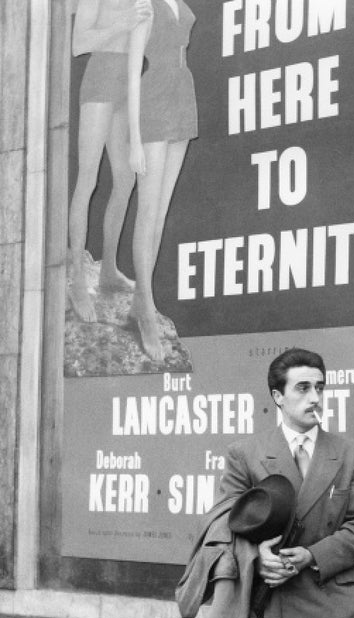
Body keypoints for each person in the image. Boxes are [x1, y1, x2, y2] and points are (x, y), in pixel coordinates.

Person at [214, 348, 354, 618]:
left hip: (329, 605)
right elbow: (226, 527)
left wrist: (310, 556)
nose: (315, 398)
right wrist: (258, 557)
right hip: (268, 606)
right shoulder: (246, 453)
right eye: (302, 388)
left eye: (320, 387)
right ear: (278, 396)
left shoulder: (353, 455)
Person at [68, 0, 152, 322]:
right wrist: (123, 23)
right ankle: (77, 279)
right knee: (87, 179)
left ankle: (108, 270)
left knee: (126, 179)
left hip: (129, 82)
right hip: (100, 78)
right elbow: (78, 44)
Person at [126, 0, 198, 361]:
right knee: (147, 211)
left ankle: (141, 299)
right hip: (154, 98)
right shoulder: (145, 4)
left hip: (183, 94)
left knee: (161, 213)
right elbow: (132, 69)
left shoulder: (179, 4)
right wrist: (134, 139)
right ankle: (147, 310)